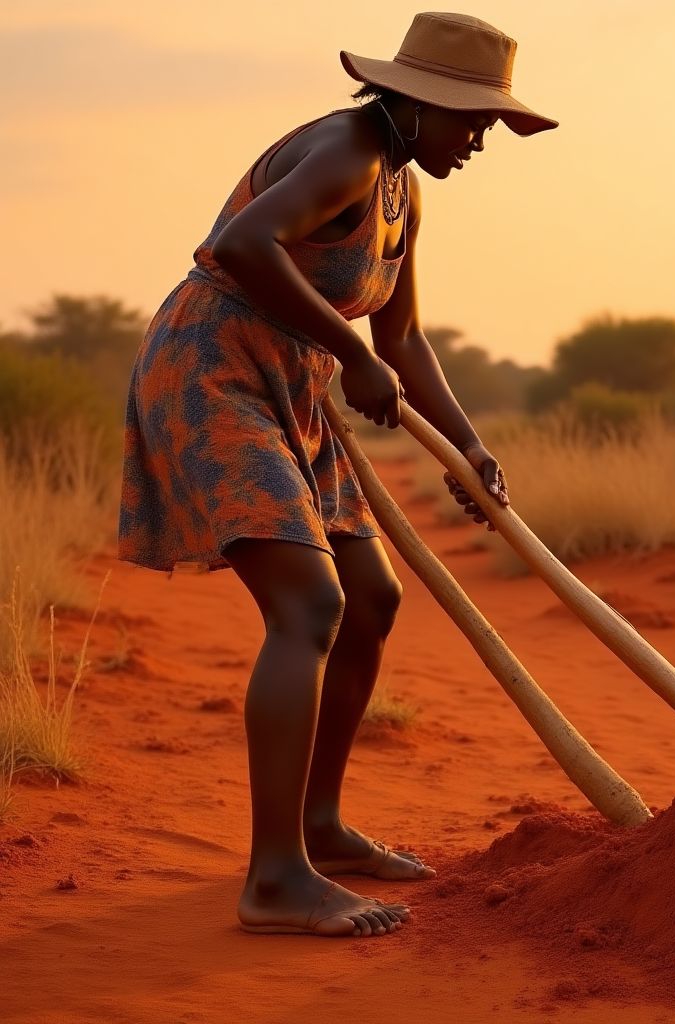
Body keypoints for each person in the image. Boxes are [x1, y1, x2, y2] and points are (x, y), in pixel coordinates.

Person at [117, 12, 557, 938]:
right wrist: (345, 357)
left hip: (293, 386)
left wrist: (470, 446)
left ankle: (317, 827)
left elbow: (399, 337)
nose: (480, 139)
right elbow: (241, 246)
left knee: (372, 594)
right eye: (473, 120)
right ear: (420, 100)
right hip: (214, 372)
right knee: (310, 605)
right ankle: (274, 878)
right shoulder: (350, 150)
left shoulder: (402, 185)